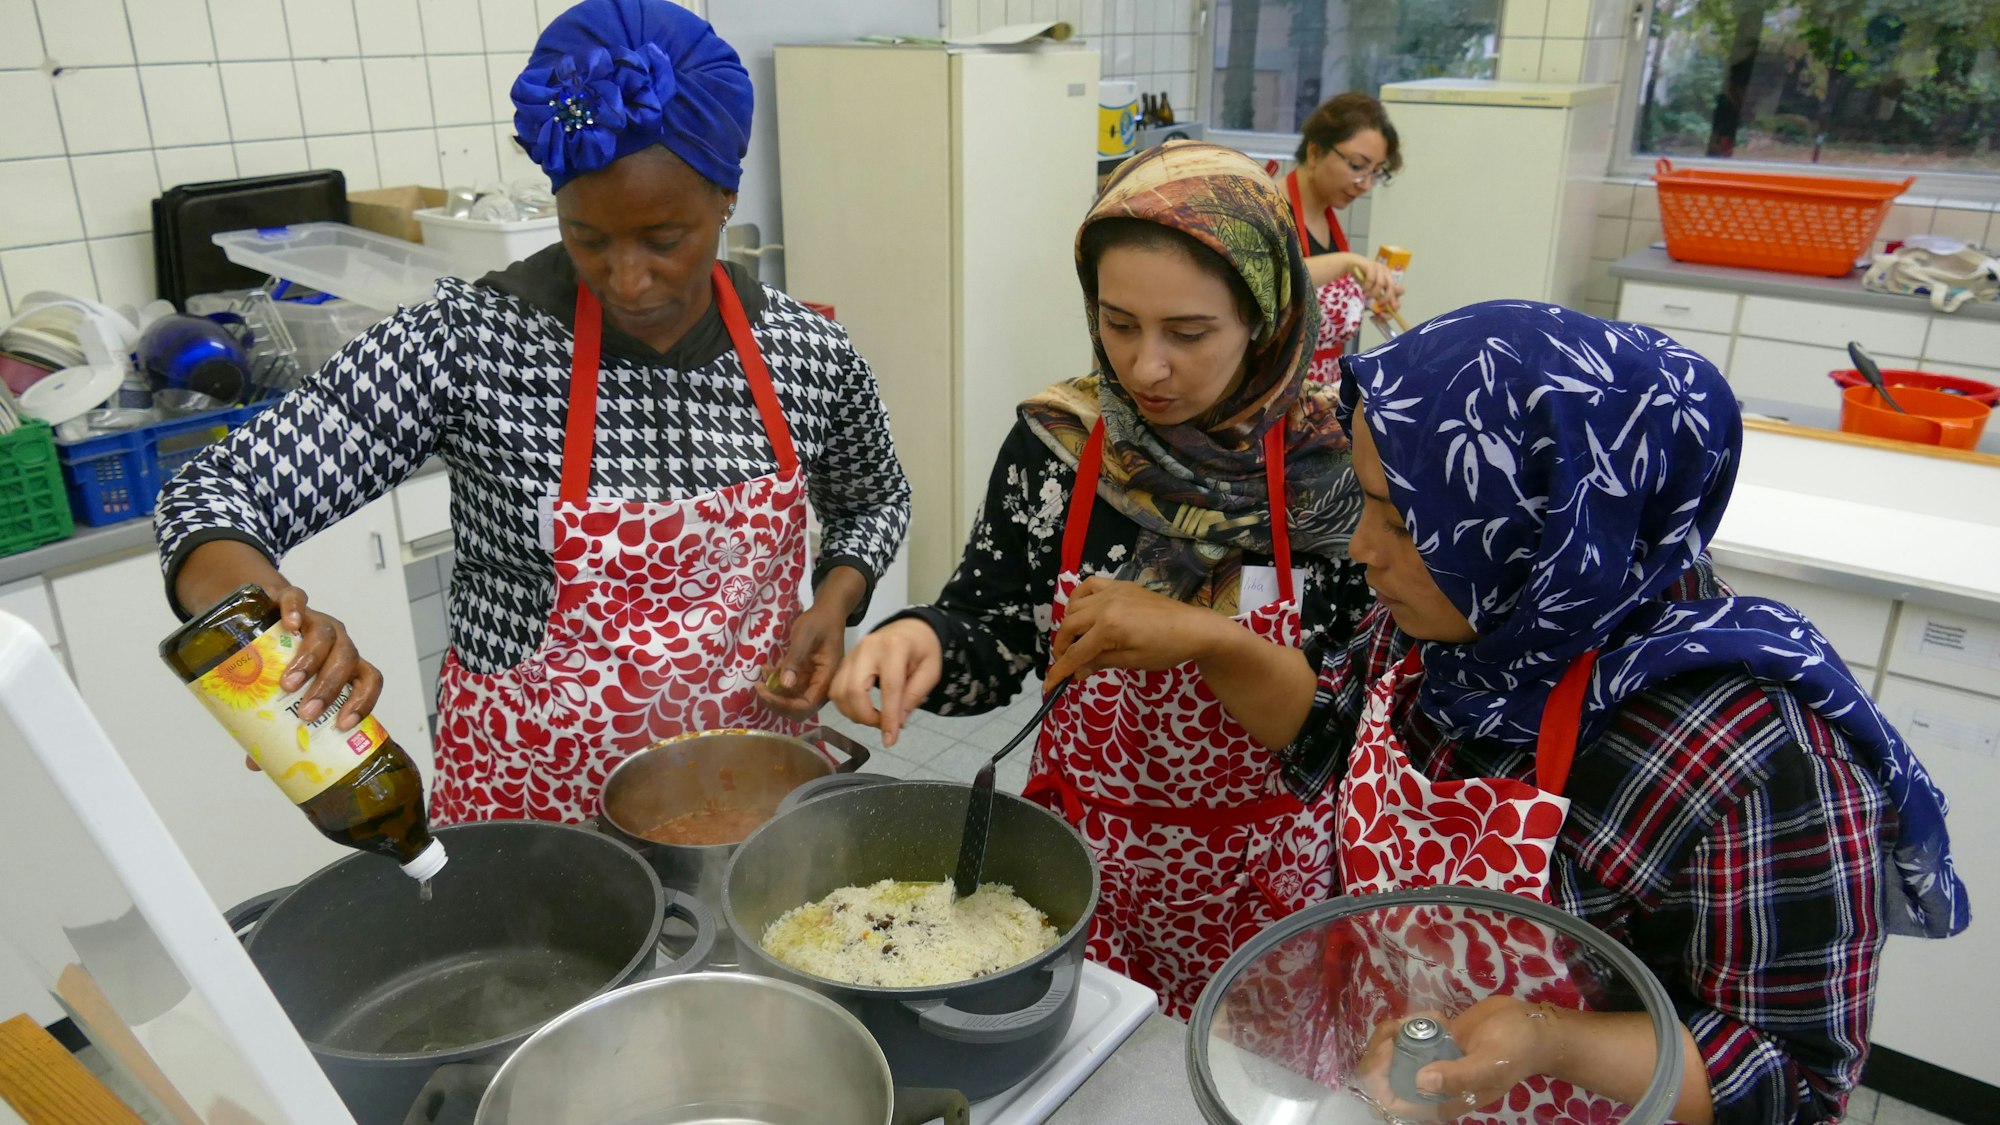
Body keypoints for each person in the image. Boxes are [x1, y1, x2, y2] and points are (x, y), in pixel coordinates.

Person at [1182, 301, 1970, 1123]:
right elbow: (1331, 738)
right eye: (1369, 502)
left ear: (1548, 521)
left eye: (1406, 520)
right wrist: (1209, 640)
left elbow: (1795, 1086)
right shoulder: (1446, 631)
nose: (1361, 550)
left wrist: (1554, 1038)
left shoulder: (1755, 759)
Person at [155, 0, 910, 825]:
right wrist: (276, 619)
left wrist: (833, 601)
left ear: (726, 198)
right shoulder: (471, 342)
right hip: (532, 809)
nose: (627, 280)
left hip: (740, 802)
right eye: (589, 239)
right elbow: (210, 494)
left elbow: (873, 499)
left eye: (664, 240)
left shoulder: (807, 353)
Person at [831, 142, 1372, 1020]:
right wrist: (923, 637)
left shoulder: (1338, 475)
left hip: (1260, 894)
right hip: (1081, 870)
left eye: (1189, 334)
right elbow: (998, 632)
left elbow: (1332, 741)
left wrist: (1202, 636)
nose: (1145, 369)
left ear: (1266, 318)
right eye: (1117, 324)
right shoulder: (1062, 446)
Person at [1285, 93, 1404, 383]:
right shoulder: (1270, 211)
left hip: (1323, 393)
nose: (1364, 184)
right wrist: (1347, 262)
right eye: (1356, 166)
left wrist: (1371, 296)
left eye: (1374, 173)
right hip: (1279, 394)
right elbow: (1276, 282)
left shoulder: (1327, 216)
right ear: (1314, 153)